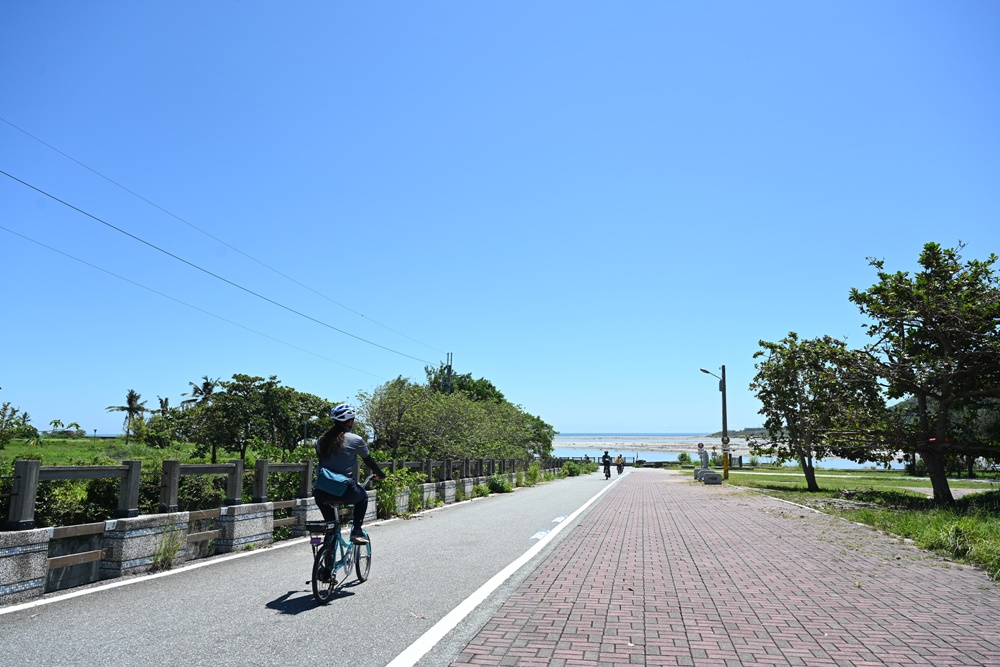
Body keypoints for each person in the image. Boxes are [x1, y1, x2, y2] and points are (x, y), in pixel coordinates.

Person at [314, 404, 385, 544]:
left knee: (331, 527)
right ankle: (357, 531)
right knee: (363, 497)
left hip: (321, 491)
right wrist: (381, 474)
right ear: (350, 421)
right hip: (345, 490)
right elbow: (369, 461)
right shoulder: (356, 440)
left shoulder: (321, 440)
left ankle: (327, 560)